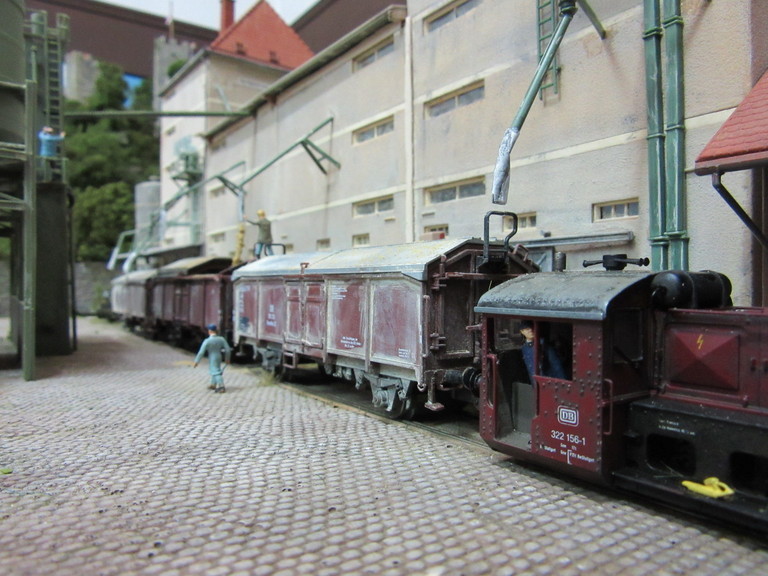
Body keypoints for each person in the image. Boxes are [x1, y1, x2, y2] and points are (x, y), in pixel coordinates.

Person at [193, 324, 232, 393]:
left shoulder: (207, 341)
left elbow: (201, 352)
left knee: (216, 371)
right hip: (219, 356)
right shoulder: (221, 339)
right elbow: (228, 350)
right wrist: (227, 359)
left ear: (209, 331)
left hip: (212, 357)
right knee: (214, 369)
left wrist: (197, 361)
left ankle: (221, 386)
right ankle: (213, 384)